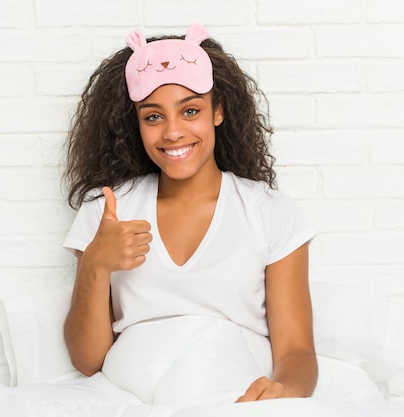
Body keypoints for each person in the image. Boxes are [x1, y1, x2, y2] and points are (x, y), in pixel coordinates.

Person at [61, 23, 317, 405]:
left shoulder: (269, 212)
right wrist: (95, 265)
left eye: (190, 110)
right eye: (153, 117)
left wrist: (284, 392)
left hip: (229, 395)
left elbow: (296, 350)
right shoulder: (108, 210)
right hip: (124, 400)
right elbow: (87, 360)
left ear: (218, 111)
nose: (173, 132)